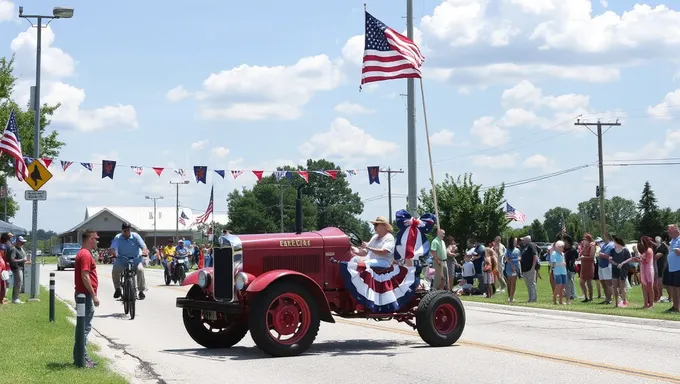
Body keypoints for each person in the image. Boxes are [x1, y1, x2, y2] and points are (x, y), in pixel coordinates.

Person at [74, 229, 100, 368]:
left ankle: (79, 356)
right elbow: (85, 276)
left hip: (82, 294)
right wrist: (94, 295)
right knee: (84, 328)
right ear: (90, 239)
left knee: (82, 328)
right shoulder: (85, 255)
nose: (97, 241)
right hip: (85, 295)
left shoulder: (83, 253)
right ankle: (82, 359)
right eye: (95, 239)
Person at [109, 222, 148, 300]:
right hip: (122, 260)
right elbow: (112, 247)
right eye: (125, 230)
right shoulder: (118, 237)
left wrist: (144, 251)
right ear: (122, 231)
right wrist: (113, 252)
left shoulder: (136, 236)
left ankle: (141, 291)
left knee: (140, 270)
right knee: (115, 270)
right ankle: (117, 289)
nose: (127, 232)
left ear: (130, 230)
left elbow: (143, 246)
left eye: (128, 230)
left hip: (135, 260)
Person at [609, 236, 631, 308]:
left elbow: (629, 258)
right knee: (615, 286)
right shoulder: (612, 250)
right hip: (615, 269)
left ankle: (624, 301)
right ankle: (616, 302)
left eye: (614, 242)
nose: (613, 243)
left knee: (622, 286)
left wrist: (622, 263)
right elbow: (610, 259)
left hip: (623, 269)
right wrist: (616, 264)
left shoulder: (625, 250)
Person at [664, 224, 680, 313]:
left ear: (676, 230)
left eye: (670, 231)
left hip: (678, 268)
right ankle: (675, 306)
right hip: (672, 268)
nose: (668, 233)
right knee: (673, 287)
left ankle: (678, 307)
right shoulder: (672, 240)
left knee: (678, 288)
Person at [7, 236, 28, 304]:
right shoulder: (14, 249)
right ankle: (15, 298)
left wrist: (24, 260)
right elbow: (12, 260)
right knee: (18, 283)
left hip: (20, 268)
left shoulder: (20, 249)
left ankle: (16, 298)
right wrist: (22, 260)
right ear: (17, 242)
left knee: (19, 283)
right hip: (16, 268)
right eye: (21, 242)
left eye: (23, 242)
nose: (23, 243)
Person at [637, 236, 656, 309]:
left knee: (650, 287)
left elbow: (647, 261)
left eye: (641, 241)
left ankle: (651, 304)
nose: (640, 243)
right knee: (644, 287)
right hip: (643, 269)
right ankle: (645, 303)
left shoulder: (649, 250)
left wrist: (640, 260)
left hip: (648, 270)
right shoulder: (644, 251)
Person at [520, 236, 539, 303]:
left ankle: (533, 298)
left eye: (524, 240)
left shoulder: (531, 245)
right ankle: (530, 297)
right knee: (528, 284)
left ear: (528, 240)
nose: (522, 241)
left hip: (530, 268)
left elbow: (535, 256)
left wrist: (533, 267)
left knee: (532, 283)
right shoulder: (525, 247)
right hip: (525, 269)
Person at [596, 236, 614, 305]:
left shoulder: (611, 245)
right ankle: (606, 298)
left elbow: (609, 256)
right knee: (603, 283)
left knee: (608, 283)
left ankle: (609, 299)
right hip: (601, 265)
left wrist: (600, 254)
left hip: (607, 265)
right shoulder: (603, 245)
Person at [578, 233, 595, 302]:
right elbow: (581, 254)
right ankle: (585, 297)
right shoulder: (584, 247)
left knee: (589, 282)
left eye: (585, 239)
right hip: (583, 266)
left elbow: (591, 257)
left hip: (589, 266)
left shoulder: (592, 247)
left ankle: (591, 297)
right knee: (581, 282)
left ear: (588, 240)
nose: (584, 241)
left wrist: (583, 257)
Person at [504, 237, 520, 303]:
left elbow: (519, 257)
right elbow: (507, 259)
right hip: (509, 267)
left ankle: (511, 297)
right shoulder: (507, 250)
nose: (516, 242)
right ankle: (509, 296)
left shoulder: (517, 250)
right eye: (515, 241)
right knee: (509, 283)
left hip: (515, 268)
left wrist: (516, 261)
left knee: (513, 283)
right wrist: (512, 264)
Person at [563, 235, 578, 301]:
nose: (564, 242)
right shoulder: (564, 249)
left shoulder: (573, 249)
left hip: (571, 267)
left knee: (571, 281)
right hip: (564, 267)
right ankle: (568, 294)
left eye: (565, 241)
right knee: (566, 282)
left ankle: (573, 294)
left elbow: (576, 256)